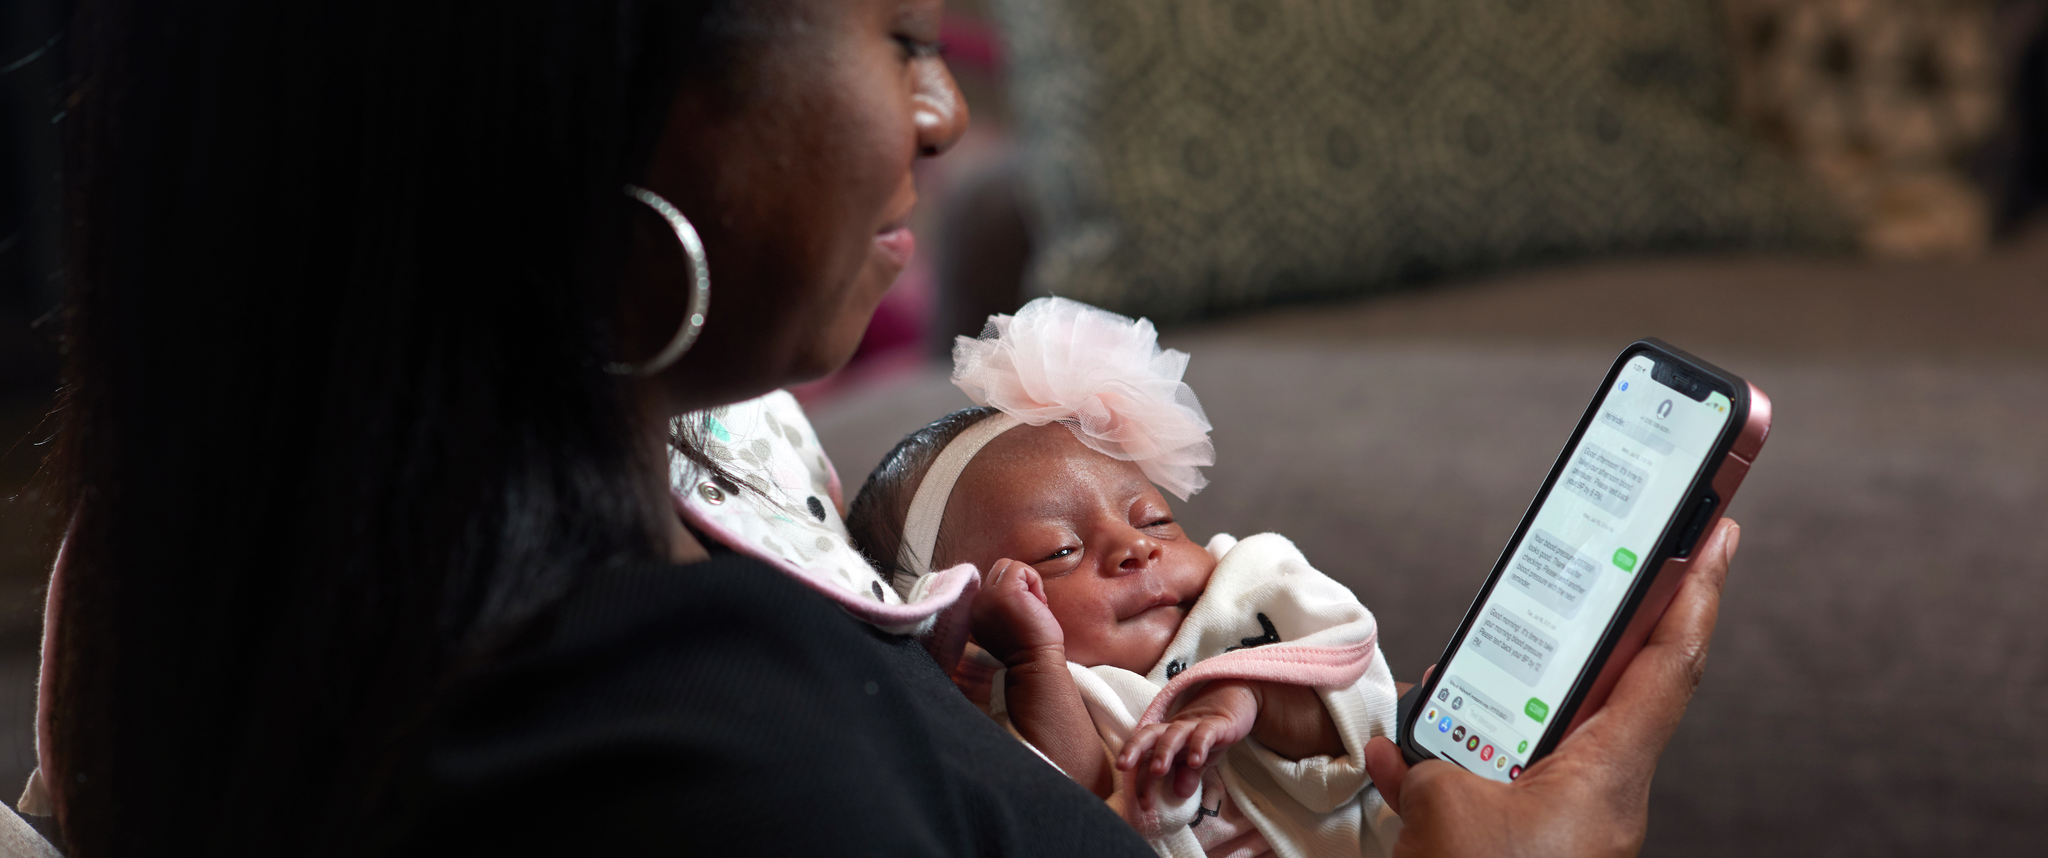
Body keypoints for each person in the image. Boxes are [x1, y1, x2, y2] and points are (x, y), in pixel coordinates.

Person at [28, 0, 1743, 854]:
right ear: (605, 99)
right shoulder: (700, 738)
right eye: (892, 31)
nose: (939, 109)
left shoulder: (193, 593)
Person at [846, 297, 1401, 856]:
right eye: (1060, 551)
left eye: (1156, 521)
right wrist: (1035, 665)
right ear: (967, 629)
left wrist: (1250, 694)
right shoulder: (1031, 691)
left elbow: (1367, 718)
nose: (1135, 546)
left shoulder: (1247, 594)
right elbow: (1083, 811)